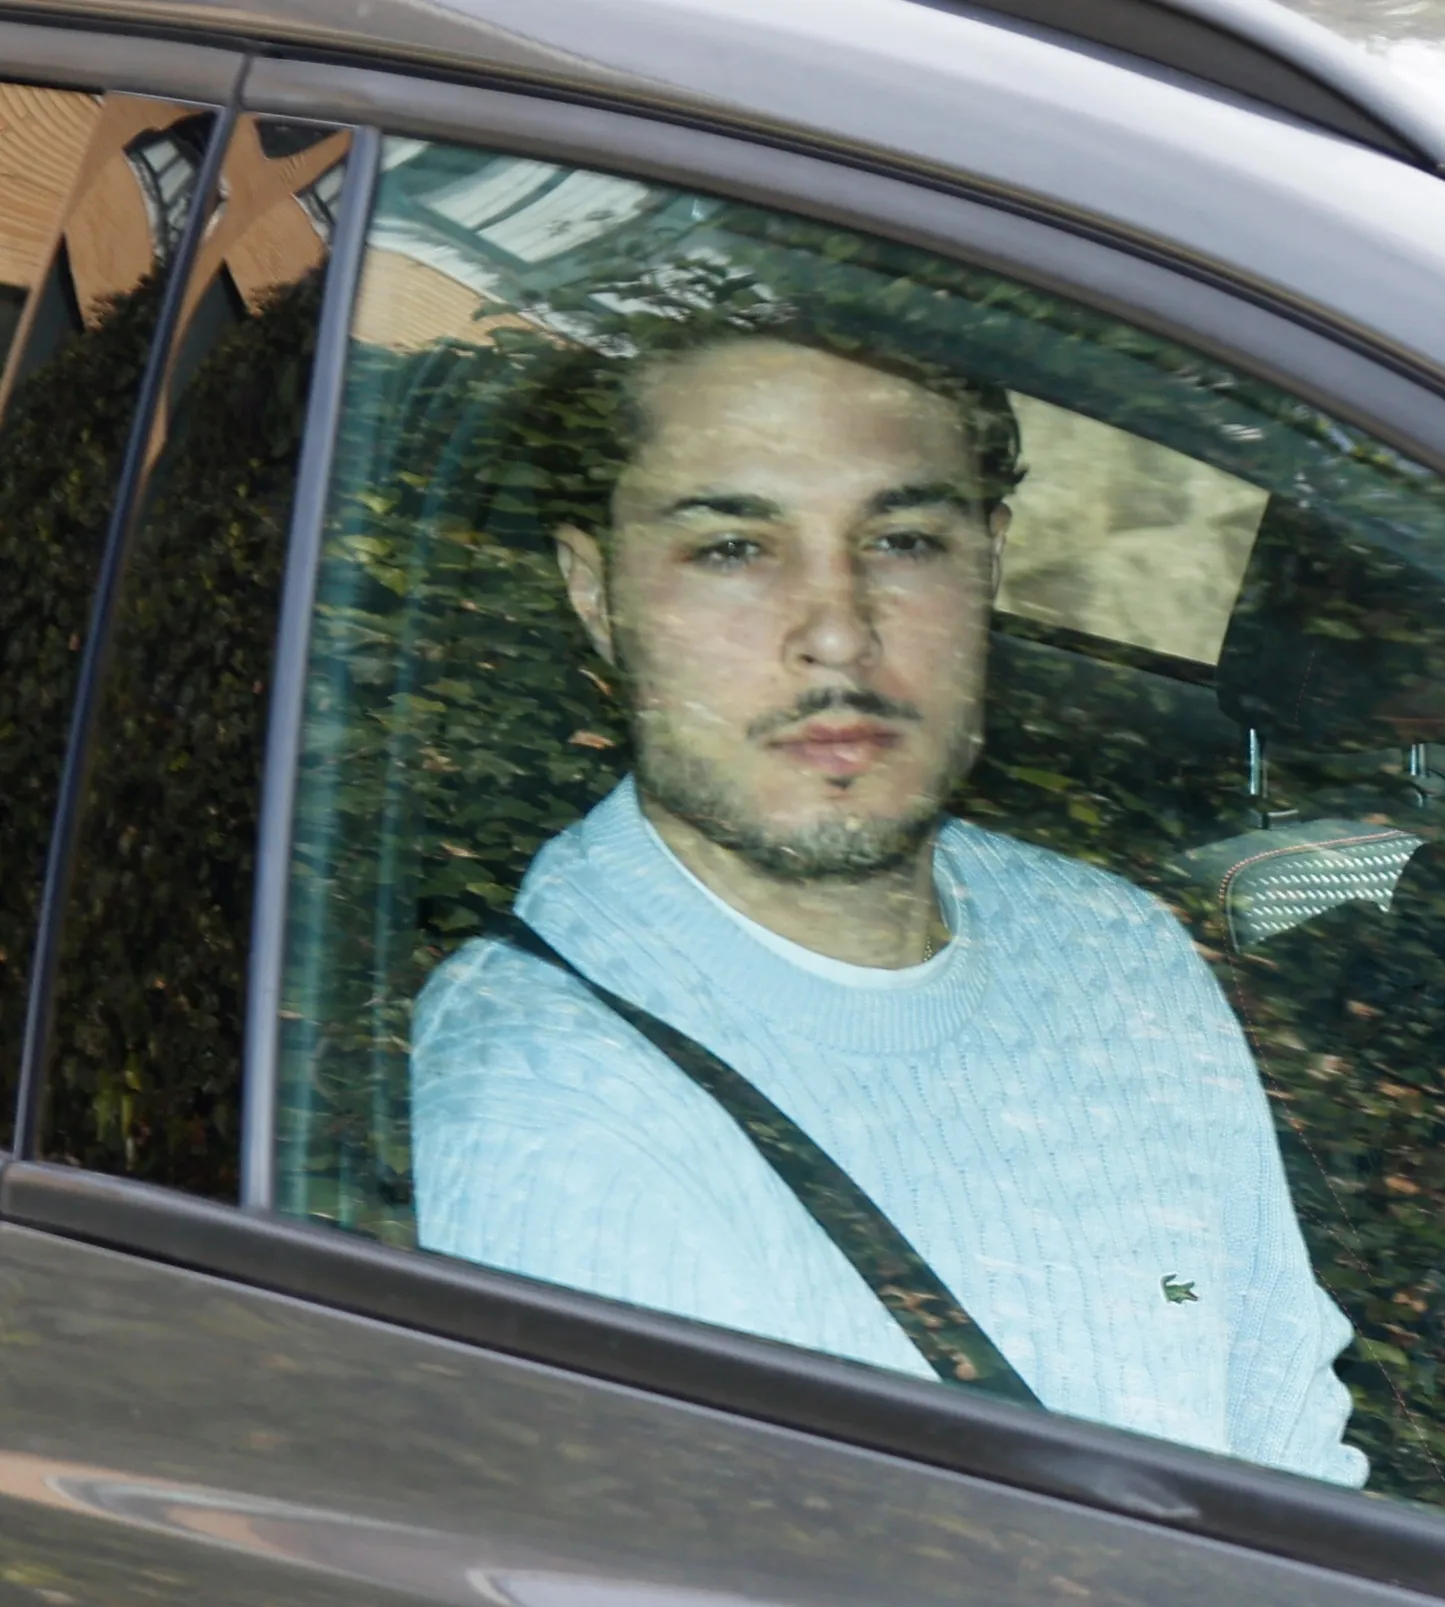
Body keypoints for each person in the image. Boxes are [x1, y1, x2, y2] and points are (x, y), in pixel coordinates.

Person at [409, 314, 1368, 1485]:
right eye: (731, 549)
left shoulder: (1116, 950)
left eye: (904, 538)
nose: (837, 631)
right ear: (593, 590)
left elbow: (1293, 1463)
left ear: (991, 561)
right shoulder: (555, 1111)